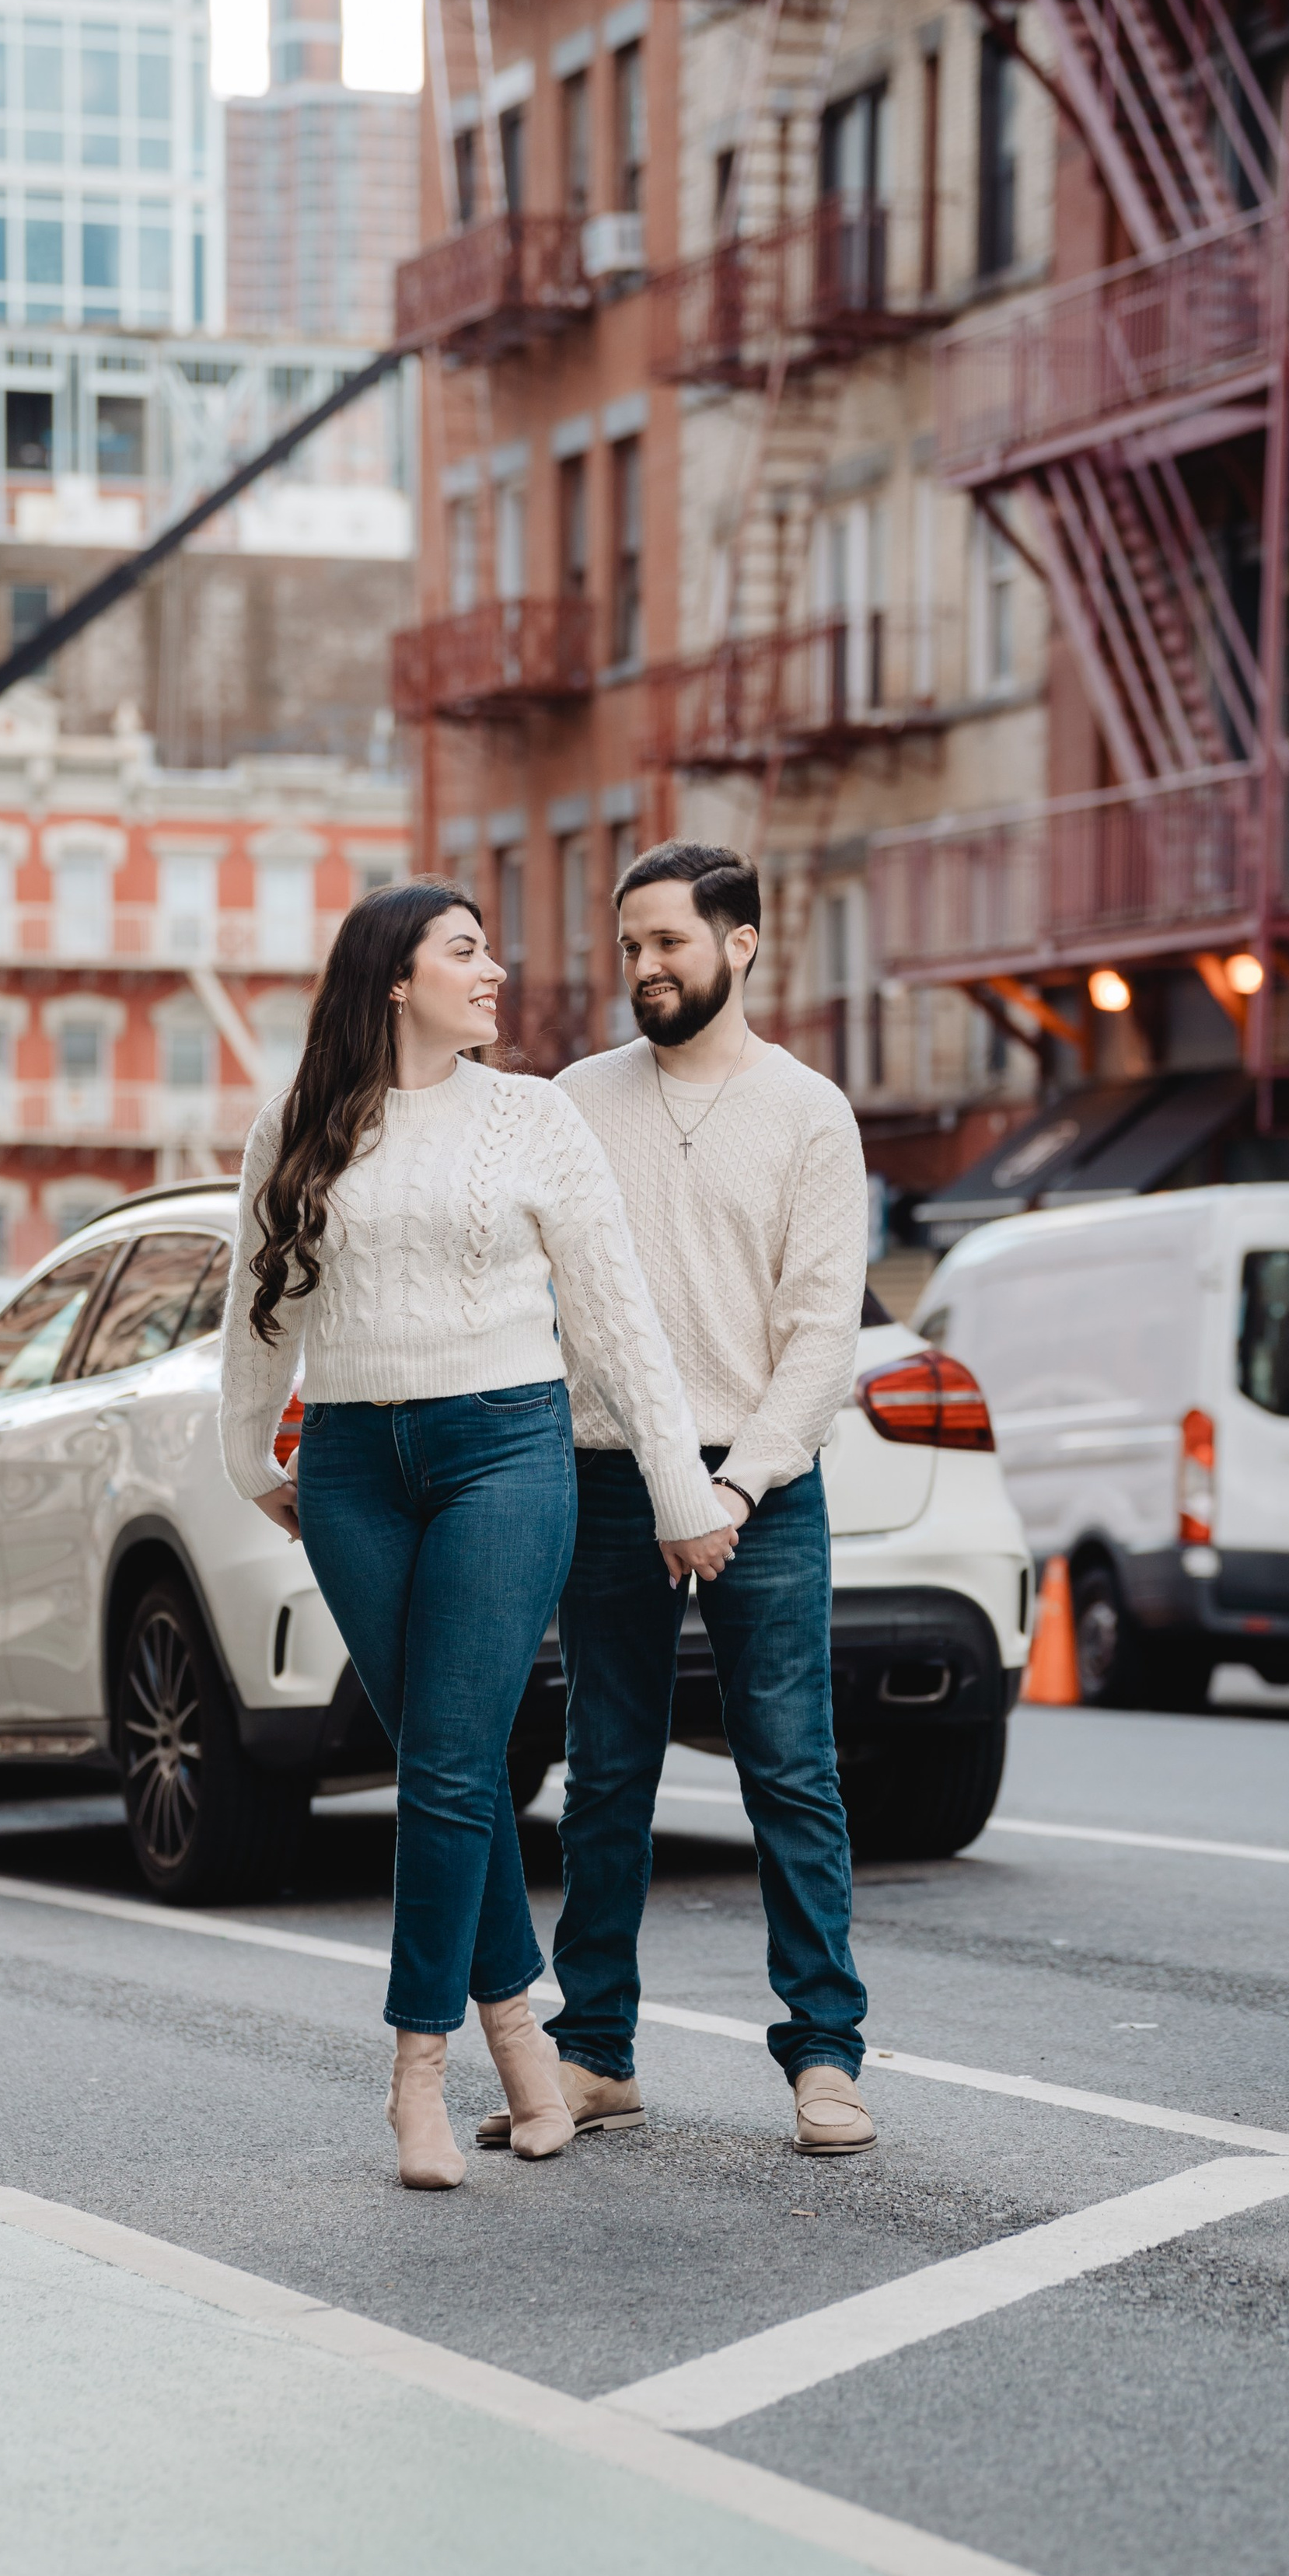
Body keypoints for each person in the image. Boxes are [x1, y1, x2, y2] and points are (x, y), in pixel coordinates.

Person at [218, 878, 735, 2191]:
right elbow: (258, 1305)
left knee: (450, 1771)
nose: (495, 971)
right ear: (397, 980)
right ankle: (523, 2047)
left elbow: (613, 1314)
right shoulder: (299, 1122)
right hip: (350, 1467)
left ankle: (415, 2076)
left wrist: (679, 1486)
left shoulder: (532, 1117)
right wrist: (244, 1452)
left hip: (505, 1448)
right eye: (466, 951)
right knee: (445, 1764)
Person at [477, 840, 874, 2158]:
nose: (643, 967)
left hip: (764, 1487)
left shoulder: (809, 1113)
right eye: (630, 946)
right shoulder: (575, 1102)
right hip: (605, 1475)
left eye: (669, 943)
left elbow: (822, 1336)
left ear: (740, 944)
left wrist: (736, 1483)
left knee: (791, 1772)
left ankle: (825, 2056)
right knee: (606, 1773)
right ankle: (596, 2053)